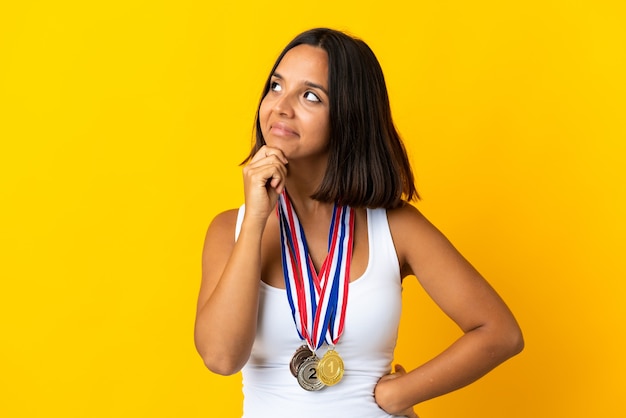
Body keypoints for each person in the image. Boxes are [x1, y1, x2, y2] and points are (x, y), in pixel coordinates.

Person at [194, 28, 524, 418]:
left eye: (310, 96)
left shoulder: (396, 226)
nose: (281, 107)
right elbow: (220, 357)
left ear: (350, 116)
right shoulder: (229, 230)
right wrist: (256, 220)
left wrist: (401, 394)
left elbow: (500, 333)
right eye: (276, 86)